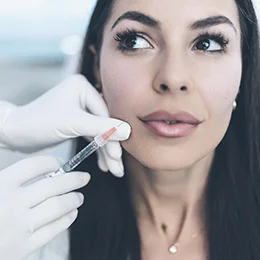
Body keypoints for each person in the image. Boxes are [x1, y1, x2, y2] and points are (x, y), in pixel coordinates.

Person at [66, 0, 260, 260]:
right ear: (96, 67)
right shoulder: (39, 235)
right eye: (135, 41)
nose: (173, 77)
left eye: (207, 43)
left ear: (243, 70)